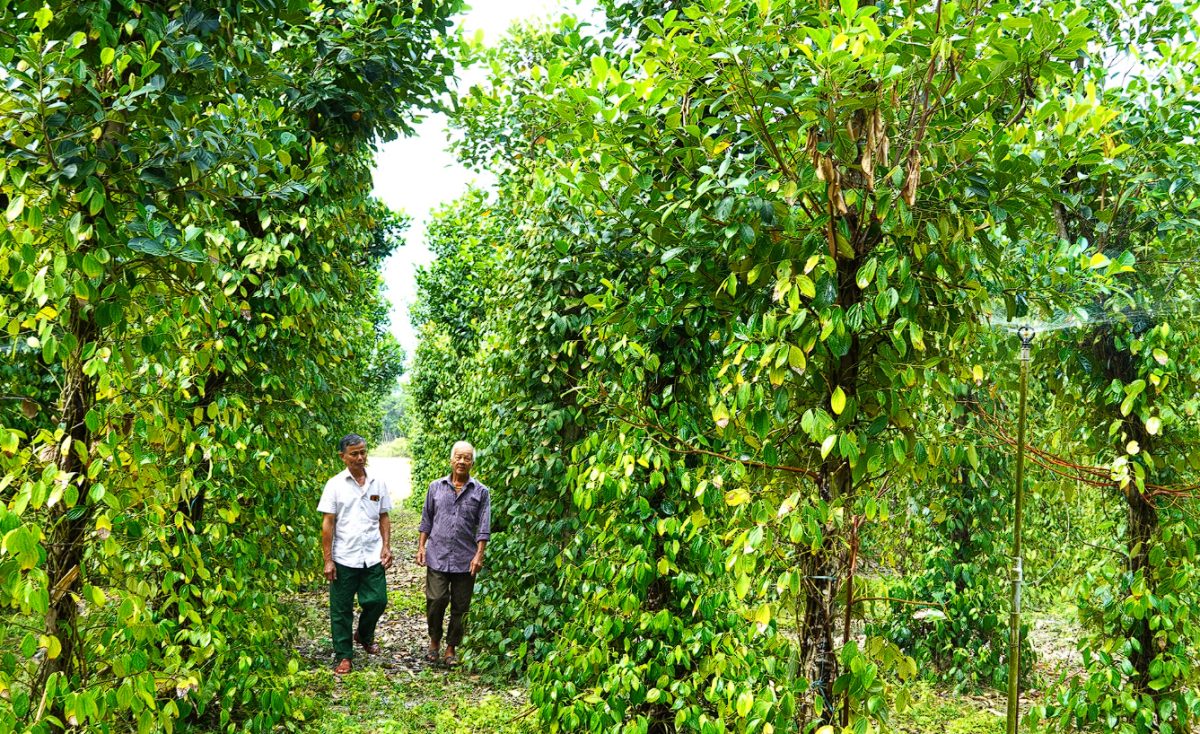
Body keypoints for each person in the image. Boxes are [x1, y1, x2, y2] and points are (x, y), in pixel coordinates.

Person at [317, 434, 393, 675]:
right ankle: (344, 656)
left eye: (363, 452)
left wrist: (386, 546)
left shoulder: (377, 483)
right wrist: (328, 560)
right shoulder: (335, 484)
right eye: (354, 454)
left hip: (371, 554)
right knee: (341, 608)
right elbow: (328, 523)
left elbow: (384, 516)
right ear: (343, 457)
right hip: (344, 556)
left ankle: (363, 634)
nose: (360, 458)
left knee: (378, 600)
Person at [416, 440, 491, 668]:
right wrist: (422, 546)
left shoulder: (481, 492)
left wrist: (479, 555)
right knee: (436, 599)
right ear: (451, 460)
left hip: (465, 558)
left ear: (472, 463)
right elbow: (426, 519)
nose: (462, 461)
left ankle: (451, 647)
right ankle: (434, 640)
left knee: (461, 605)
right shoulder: (435, 487)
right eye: (458, 457)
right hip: (437, 555)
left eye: (467, 458)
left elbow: (484, 527)